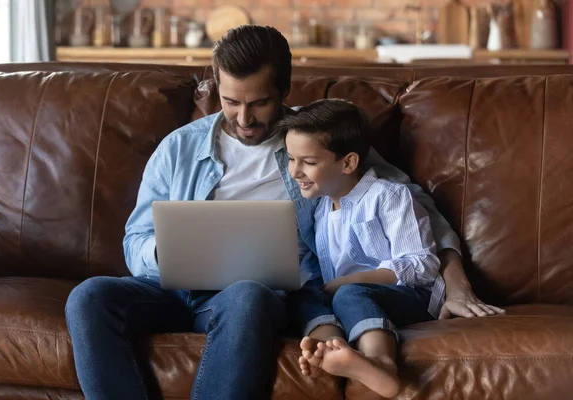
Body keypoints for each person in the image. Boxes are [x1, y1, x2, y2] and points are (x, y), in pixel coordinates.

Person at [64, 25, 503, 400]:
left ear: (285, 90)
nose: (243, 118)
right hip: (172, 288)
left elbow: (412, 203)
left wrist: (456, 282)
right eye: (230, 101)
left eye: (258, 103)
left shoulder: (316, 143)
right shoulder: (179, 148)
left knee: (247, 294)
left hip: (248, 296)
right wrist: (169, 254)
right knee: (89, 296)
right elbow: (134, 240)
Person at [280, 98, 451, 397]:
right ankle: (331, 347)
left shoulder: (388, 197)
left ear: (348, 162)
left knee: (349, 293)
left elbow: (423, 264)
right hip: (348, 299)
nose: (295, 172)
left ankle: (380, 362)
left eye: (308, 162)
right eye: (291, 159)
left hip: (410, 296)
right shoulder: (319, 210)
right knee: (303, 294)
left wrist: (350, 281)